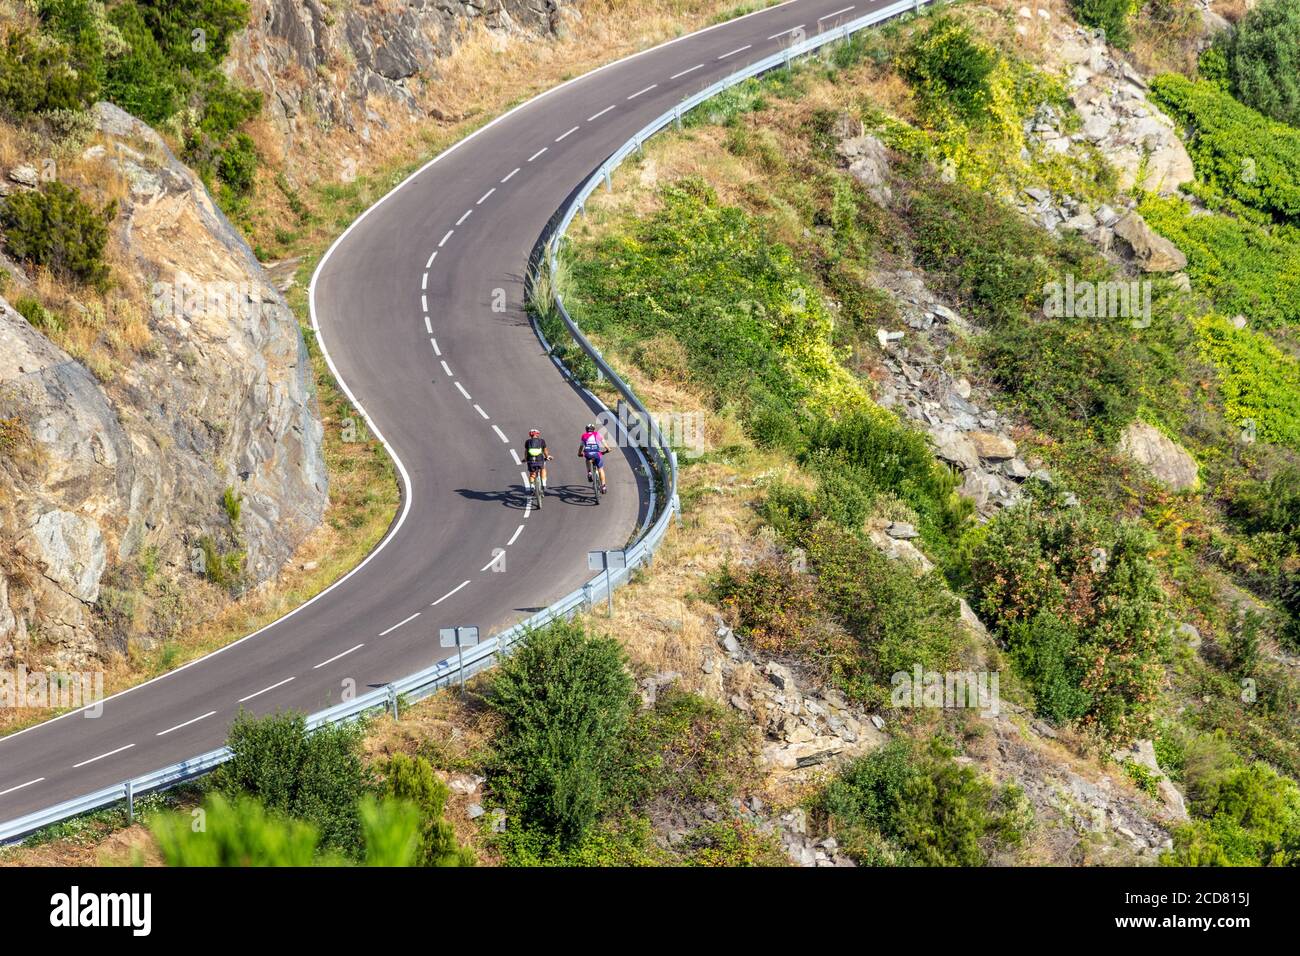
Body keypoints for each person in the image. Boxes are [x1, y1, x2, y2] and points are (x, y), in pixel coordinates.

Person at [578, 422, 609, 493]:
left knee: (587, 459)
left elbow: (581, 447)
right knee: (601, 469)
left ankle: (589, 472)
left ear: (586, 430)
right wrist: (608, 450)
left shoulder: (584, 436)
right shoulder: (598, 434)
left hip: (588, 454)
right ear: (593, 429)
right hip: (597, 454)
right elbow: (606, 446)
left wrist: (579, 453)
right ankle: (603, 486)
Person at [524, 428, 552, 493]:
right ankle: (544, 484)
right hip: (539, 459)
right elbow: (545, 450)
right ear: (538, 434)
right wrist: (547, 457)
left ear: (530, 435)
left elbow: (526, 452)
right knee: (543, 469)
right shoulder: (542, 441)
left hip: (531, 459)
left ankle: (532, 486)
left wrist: (525, 459)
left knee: (532, 474)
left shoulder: (527, 442)